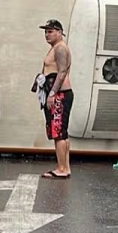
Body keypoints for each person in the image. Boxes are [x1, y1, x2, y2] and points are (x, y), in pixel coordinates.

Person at [36, 19, 73, 179]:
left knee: (58, 133)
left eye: (50, 31)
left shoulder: (60, 48)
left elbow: (62, 72)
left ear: (59, 32)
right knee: (61, 132)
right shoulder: (55, 48)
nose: (47, 34)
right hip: (58, 94)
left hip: (60, 95)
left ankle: (62, 168)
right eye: (46, 31)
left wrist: (52, 93)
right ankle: (65, 167)